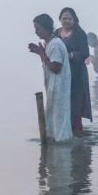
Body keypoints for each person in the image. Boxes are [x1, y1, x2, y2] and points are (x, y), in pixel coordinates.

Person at [28, 14, 73, 143]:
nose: (36, 32)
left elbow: (55, 67)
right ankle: (53, 146)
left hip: (60, 89)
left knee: (60, 120)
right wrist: (40, 52)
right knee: (53, 119)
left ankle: (63, 149)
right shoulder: (47, 43)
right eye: (35, 28)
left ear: (47, 28)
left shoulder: (55, 45)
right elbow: (47, 63)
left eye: (38, 28)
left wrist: (41, 53)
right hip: (53, 88)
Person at [55, 7, 92, 135]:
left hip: (76, 75)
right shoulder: (56, 33)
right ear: (60, 19)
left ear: (74, 20)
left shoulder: (79, 34)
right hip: (60, 75)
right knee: (61, 105)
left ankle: (77, 135)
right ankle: (64, 131)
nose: (66, 21)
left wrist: (69, 55)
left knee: (75, 106)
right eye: (64, 18)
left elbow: (84, 53)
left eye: (69, 18)